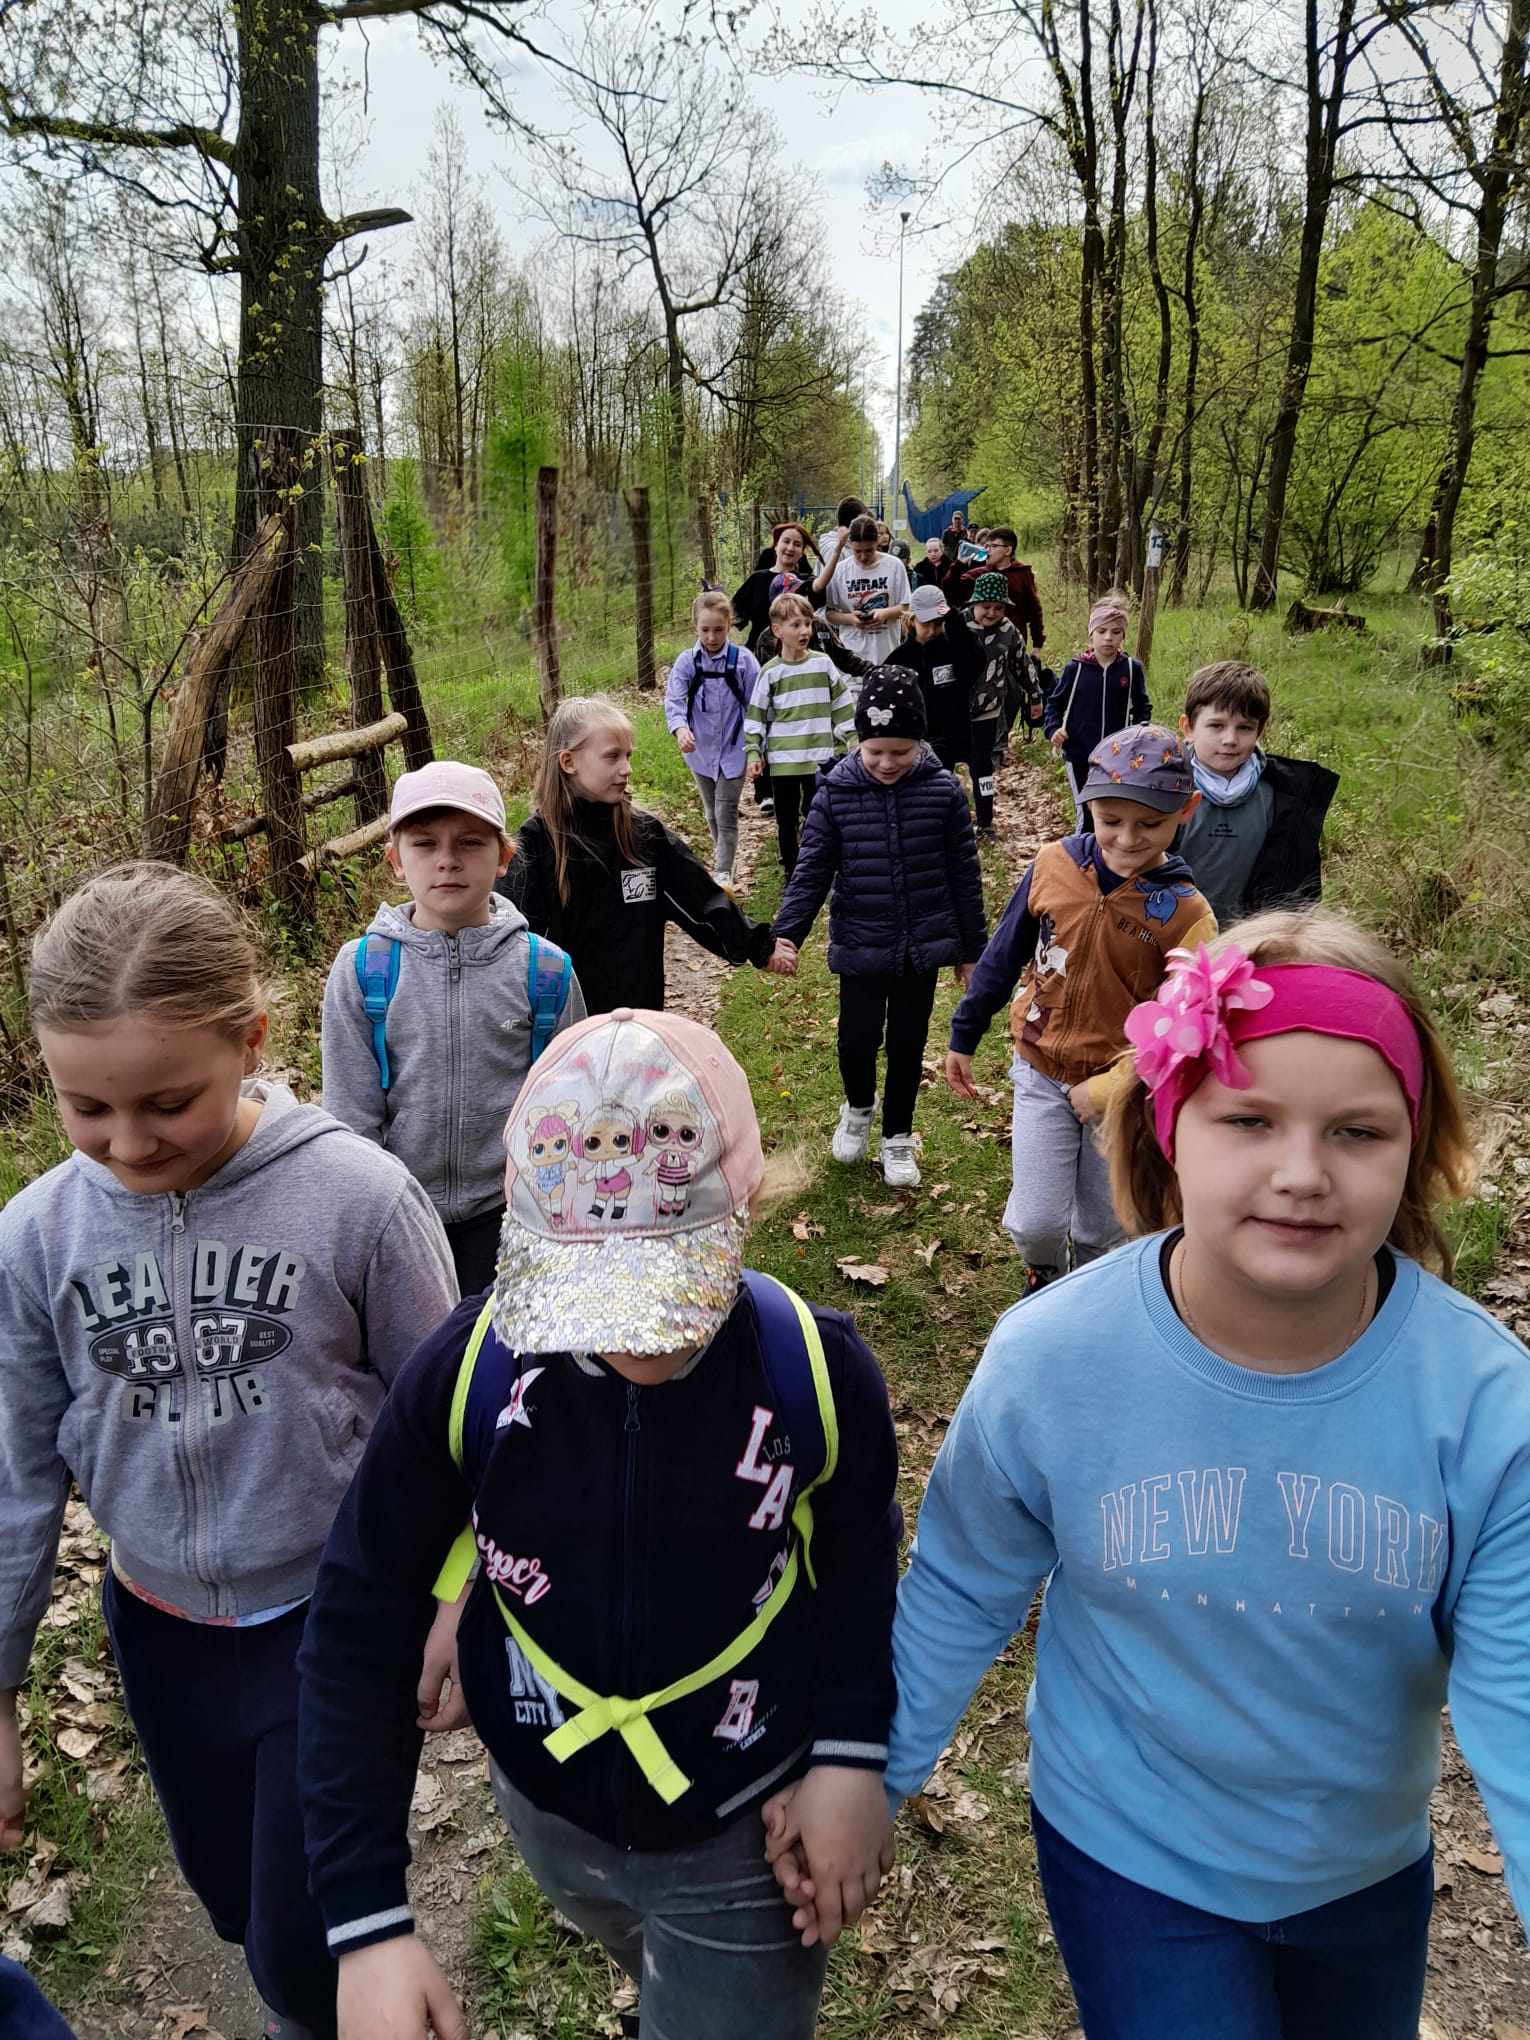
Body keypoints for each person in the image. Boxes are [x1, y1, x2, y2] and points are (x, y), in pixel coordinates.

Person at [836, 910, 1530, 2040]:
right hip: (1132, 1859)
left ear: (1412, 1147)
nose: (1301, 1173)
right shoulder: (1054, 1362)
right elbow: (962, 1589)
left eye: (1358, 1132)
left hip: (1363, 1870)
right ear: (1168, 1128)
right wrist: (871, 1779)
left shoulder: (1488, 1407)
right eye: (1248, 1119)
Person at [297, 1007, 902, 2040]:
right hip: (549, 1803)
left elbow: (856, 1556)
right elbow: (357, 1617)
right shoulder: (471, 1372)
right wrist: (368, 1921)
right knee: (628, 1936)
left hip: (742, 1817)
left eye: (667, 1299)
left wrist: (850, 1755)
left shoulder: (814, 1371)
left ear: (745, 1202)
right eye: (594, 1304)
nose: (634, 1346)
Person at [0, 862, 458, 2040]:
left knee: (308, 1946)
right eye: (84, 1107)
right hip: (156, 1627)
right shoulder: (36, 1237)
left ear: (250, 1040)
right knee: (236, 1903)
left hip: (334, 1620)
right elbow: (14, 1473)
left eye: (166, 1102)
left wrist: (461, 1594)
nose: (125, 1144)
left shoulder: (361, 1200)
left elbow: (454, 1423)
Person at [945, 726, 1213, 1291]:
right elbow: (1004, 952)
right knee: (1038, 1221)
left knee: (1103, 1224)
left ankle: (1084, 1297)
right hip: (1040, 1066)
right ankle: (1045, 1273)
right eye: (1111, 821)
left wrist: (1116, 1087)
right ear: (1087, 805)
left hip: (1117, 1092)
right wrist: (965, 1031)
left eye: (1149, 824)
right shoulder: (1053, 865)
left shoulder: (1187, 915)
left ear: (1184, 812)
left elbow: (1184, 1023)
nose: (1127, 839)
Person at [321, 761, 584, 1297]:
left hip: (514, 1217)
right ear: (395, 860)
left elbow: (570, 1110)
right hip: (399, 1217)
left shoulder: (547, 971)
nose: (446, 861)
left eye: (469, 843)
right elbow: (352, 1117)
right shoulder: (364, 970)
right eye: (424, 844)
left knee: (503, 1361)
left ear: (504, 857)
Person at [772, 668, 987, 1190]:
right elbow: (812, 870)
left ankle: (897, 1135)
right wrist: (787, 933)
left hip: (921, 947)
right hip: (862, 943)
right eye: (876, 752)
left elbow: (963, 872)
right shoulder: (835, 794)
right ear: (859, 743)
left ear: (919, 743)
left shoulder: (942, 793)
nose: (887, 763)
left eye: (900, 751)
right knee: (856, 1039)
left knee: (909, 1043)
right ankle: (859, 1108)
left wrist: (972, 949)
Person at [497, 696, 792, 1014]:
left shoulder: (644, 837)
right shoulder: (535, 846)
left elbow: (703, 900)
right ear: (568, 762)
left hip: (637, 1022)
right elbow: (511, 948)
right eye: (612, 757)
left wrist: (759, 945)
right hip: (565, 1033)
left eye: (628, 756)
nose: (627, 769)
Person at [1176, 660, 1340, 927]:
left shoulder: (1284, 796)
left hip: (1247, 942)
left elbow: (1296, 887)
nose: (1230, 739)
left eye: (1244, 727)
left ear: (1260, 731)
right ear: (1189, 728)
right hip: (1172, 937)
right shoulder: (1163, 787)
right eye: (1216, 726)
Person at [745, 591, 858, 877]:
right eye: (796, 625)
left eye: (807, 623)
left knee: (818, 815)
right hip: (783, 762)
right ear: (777, 630)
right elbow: (756, 715)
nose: (805, 630)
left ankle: (820, 867)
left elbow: (842, 705)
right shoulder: (771, 672)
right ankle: (793, 873)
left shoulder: (823, 664)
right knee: (786, 820)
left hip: (819, 758)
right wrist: (754, 751)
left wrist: (853, 740)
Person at [665, 590, 761, 894]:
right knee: (710, 811)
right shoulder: (686, 663)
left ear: (729, 624)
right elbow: (675, 701)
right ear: (695, 627)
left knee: (725, 811)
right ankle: (727, 861)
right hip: (701, 750)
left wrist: (757, 745)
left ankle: (721, 873)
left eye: (718, 629)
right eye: (705, 630)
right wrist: (680, 729)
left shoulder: (744, 662)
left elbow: (758, 705)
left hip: (735, 749)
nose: (711, 637)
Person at [886, 584, 994, 831]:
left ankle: (985, 820)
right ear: (912, 621)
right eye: (927, 625)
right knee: (938, 779)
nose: (932, 630)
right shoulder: (901, 658)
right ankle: (941, 823)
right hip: (927, 734)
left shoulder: (954, 646)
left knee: (982, 768)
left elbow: (976, 661)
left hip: (962, 724)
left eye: (938, 623)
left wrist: (954, 620)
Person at [1046, 590, 1152, 829]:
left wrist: (1138, 736)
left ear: (1123, 635)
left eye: (1116, 632)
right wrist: (1053, 729)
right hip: (1080, 753)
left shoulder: (1131, 669)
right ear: (1091, 633)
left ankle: (1108, 859)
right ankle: (1082, 859)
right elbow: (1055, 702)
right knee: (1086, 811)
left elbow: (1142, 707)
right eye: (1101, 631)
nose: (1108, 638)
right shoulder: (1077, 668)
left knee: (1112, 811)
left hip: (1119, 756)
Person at [821, 515, 911, 666]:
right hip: (853, 656)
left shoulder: (894, 566)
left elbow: (905, 606)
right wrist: (851, 619)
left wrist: (884, 614)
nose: (863, 557)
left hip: (887, 653)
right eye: (857, 551)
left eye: (869, 550)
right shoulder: (840, 570)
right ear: (850, 545)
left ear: (877, 542)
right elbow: (829, 614)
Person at [966, 568, 1040, 748]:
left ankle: (993, 767)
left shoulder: (1008, 630)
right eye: (986, 607)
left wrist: (1035, 696)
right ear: (974, 604)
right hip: (961, 706)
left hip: (993, 706)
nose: (991, 613)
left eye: (998, 608)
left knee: (989, 760)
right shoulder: (958, 627)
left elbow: (1023, 665)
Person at [958, 527, 1045, 650]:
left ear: (1008, 550)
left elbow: (1034, 610)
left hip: (1012, 643)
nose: (987, 551)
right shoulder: (979, 574)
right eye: (986, 546)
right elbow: (951, 590)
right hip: (981, 641)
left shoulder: (1022, 574)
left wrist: (1037, 646)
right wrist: (958, 564)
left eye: (993, 546)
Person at [809, 494, 870, 597]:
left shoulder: (849, 544)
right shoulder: (833, 548)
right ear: (852, 523)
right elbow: (830, 585)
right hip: (831, 610)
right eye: (862, 521)